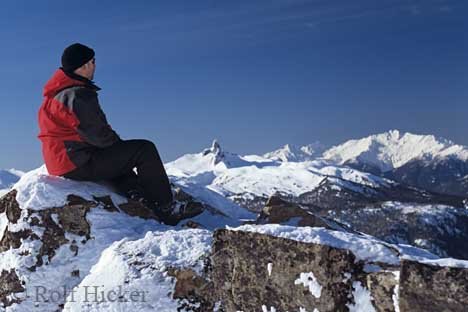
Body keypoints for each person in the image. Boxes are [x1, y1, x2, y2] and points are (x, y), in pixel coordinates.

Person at [37, 43, 199, 225]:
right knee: (144, 149)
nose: (95, 65)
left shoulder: (55, 97)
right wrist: (122, 149)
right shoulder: (78, 95)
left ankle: (137, 197)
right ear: (84, 66)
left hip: (66, 161)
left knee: (117, 157)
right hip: (77, 162)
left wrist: (119, 152)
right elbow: (99, 135)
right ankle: (166, 207)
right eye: (93, 61)